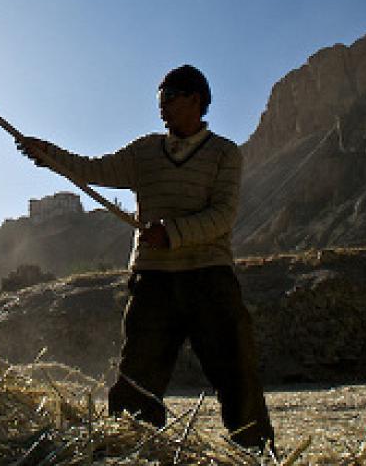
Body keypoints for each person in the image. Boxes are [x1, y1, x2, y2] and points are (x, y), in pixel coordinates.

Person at [16, 65, 275, 452]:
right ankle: (132, 453)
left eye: (170, 98)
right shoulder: (144, 152)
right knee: (137, 377)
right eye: (159, 100)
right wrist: (49, 155)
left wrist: (170, 232)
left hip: (210, 278)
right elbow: (92, 169)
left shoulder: (224, 153)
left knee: (237, 371)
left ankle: (257, 453)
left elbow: (222, 215)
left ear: (196, 100)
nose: (162, 107)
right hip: (154, 280)